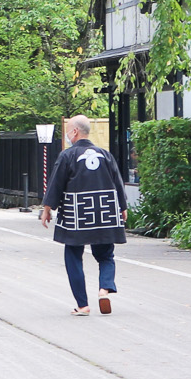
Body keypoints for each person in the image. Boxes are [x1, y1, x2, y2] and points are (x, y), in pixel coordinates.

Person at [40, 116, 128, 316]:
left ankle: (83, 305)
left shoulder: (67, 156)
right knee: (106, 255)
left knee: (73, 255)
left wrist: (47, 208)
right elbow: (118, 182)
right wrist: (122, 207)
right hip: (106, 211)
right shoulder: (106, 155)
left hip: (77, 213)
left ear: (75, 132)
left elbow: (56, 184)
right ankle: (104, 289)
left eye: (68, 131)